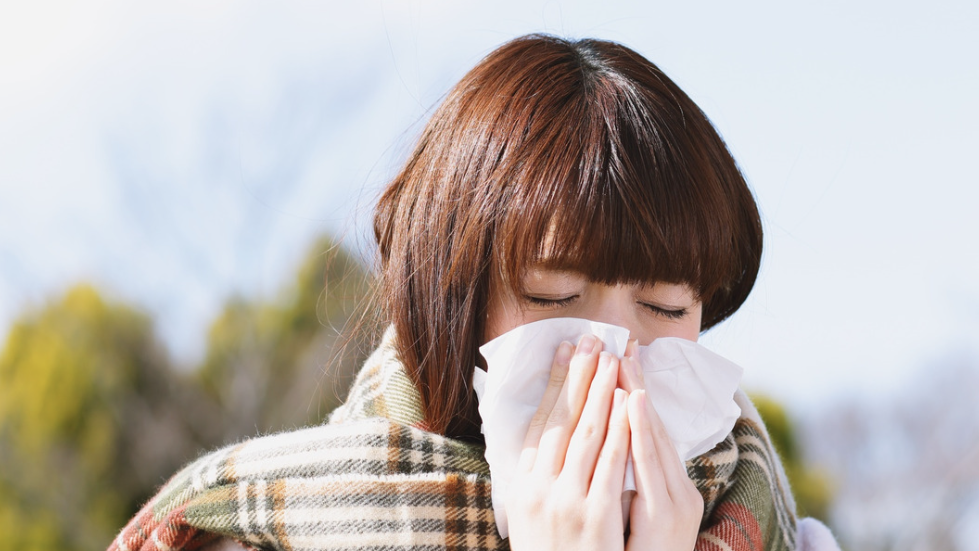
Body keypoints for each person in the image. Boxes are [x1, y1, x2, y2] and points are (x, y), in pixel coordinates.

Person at [109, 34, 840, 551]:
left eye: (664, 308)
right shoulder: (250, 537)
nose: (615, 364)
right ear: (446, 301)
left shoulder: (783, 531)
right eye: (553, 296)